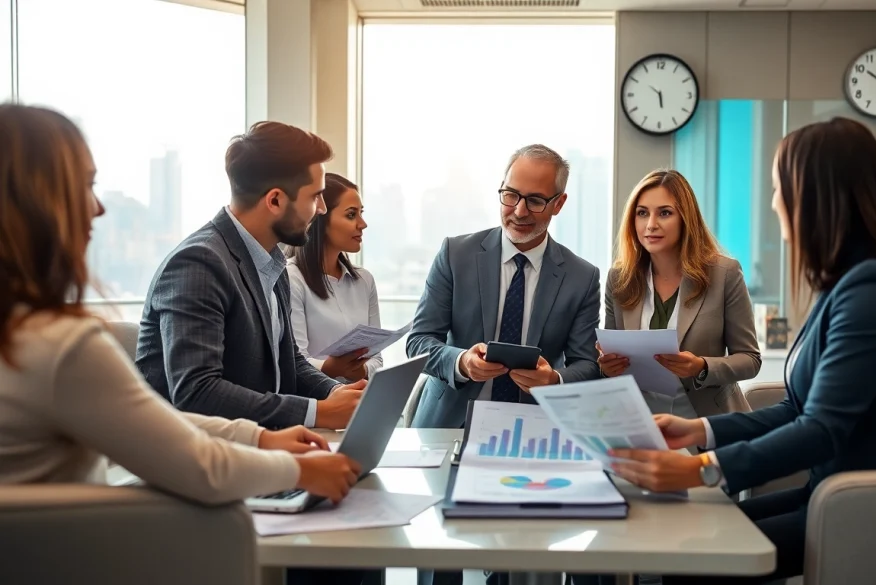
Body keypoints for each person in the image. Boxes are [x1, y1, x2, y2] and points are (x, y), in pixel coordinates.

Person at [608, 117, 876, 584]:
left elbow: (820, 430)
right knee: (683, 544)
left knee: (688, 562)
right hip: (837, 492)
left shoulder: (872, 290)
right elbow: (798, 408)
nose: (774, 203)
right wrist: (697, 429)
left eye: (779, 189)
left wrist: (700, 470)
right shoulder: (844, 285)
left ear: (814, 198)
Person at [0, 103, 361, 509]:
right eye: (84, 187)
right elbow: (192, 431)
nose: (98, 208)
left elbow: (150, 422)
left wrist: (268, 435)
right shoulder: (67, 344)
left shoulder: (272, 263)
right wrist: (298, 462)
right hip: (164, 513)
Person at [407, 144, 602, 585]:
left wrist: (553, 378)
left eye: (535, 200)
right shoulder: (455, 253)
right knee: (440, 562)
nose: (518, 210)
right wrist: (461, 362)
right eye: (509, 194)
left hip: (531, 437)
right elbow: (420, 342)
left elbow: (588, 365)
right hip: (451, 429)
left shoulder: (581, 275)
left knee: (526, 564)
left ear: (559, 204)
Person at [135, 121, 365, 431]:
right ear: (275, 200)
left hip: (254, 450)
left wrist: (336, 393)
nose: (322, 209)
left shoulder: (271, 262)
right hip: (197, 463)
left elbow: (290, 363)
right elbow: (196, 393)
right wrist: (317, 413)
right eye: (315, 196)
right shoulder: (198, 264)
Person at [600, 169, 760, 418]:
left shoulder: (724, 274)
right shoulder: (619, 279)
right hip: (641, 421)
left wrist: (702, 367)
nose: (651, 224)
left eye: (664, 213)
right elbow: (612, 360)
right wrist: (608, 368)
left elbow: (750, 359)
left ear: (686, 218)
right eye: (642, 213)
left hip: (707, 422)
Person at [286, 172, 382, 383]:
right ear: (321, 219)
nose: (362, 224)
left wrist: (361, 371)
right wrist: (330, 368)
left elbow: (377, 360)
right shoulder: (292, 278)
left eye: (361, 213)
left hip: (359, 401)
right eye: (351, 215)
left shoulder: (365, 281)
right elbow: (294, 361)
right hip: (318, 405)